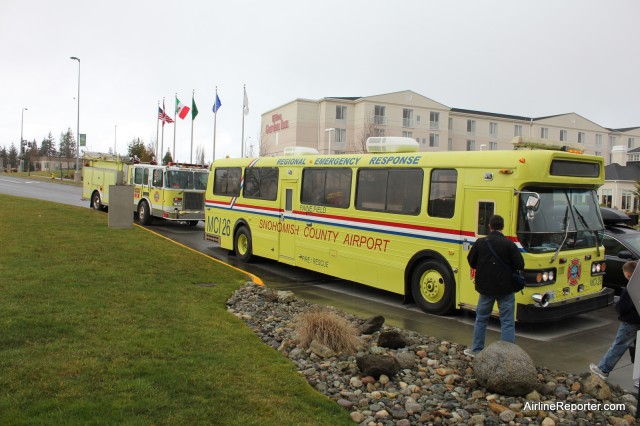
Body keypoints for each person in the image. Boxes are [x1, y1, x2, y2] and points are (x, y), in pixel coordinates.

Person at [464, 214, 525, 357]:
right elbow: (520, 264)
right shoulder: (509, 244)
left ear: (490, 226)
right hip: (506, 288)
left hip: (486, 288)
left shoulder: (480, 242)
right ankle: (508, 353)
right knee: (507, 321)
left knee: (481, 319)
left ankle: (477, 349)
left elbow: (471, 261)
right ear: (502, 227)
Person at [590, 260, 639, 385]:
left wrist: (619, 309)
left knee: (619, 345)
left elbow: (622, 307)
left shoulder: (630, 289)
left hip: (630, 322)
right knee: (637, 350)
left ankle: (603, 369)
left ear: (628, 275)